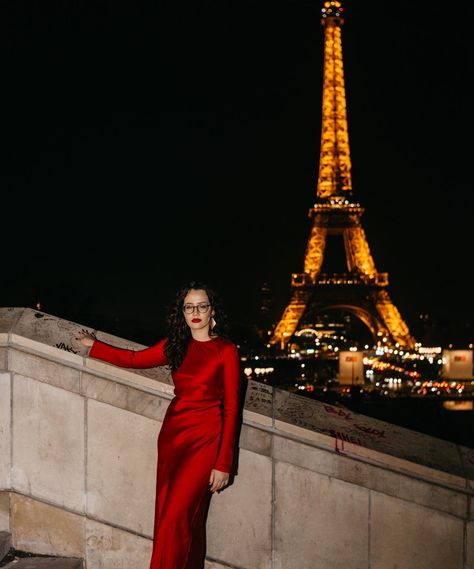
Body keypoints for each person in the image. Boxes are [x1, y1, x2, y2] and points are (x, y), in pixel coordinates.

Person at [78, 280, 243, 569]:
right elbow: (133, 359)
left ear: (211, 311)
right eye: (189, 306)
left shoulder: (226, 351)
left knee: (174, 520)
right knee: (177, 518)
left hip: (205, 441)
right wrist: (95, 347)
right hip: (173, 437)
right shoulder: (175, 345)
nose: (195, 312)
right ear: (182, 312)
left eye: (201, 306)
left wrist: (224, 462)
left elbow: (231, 409)